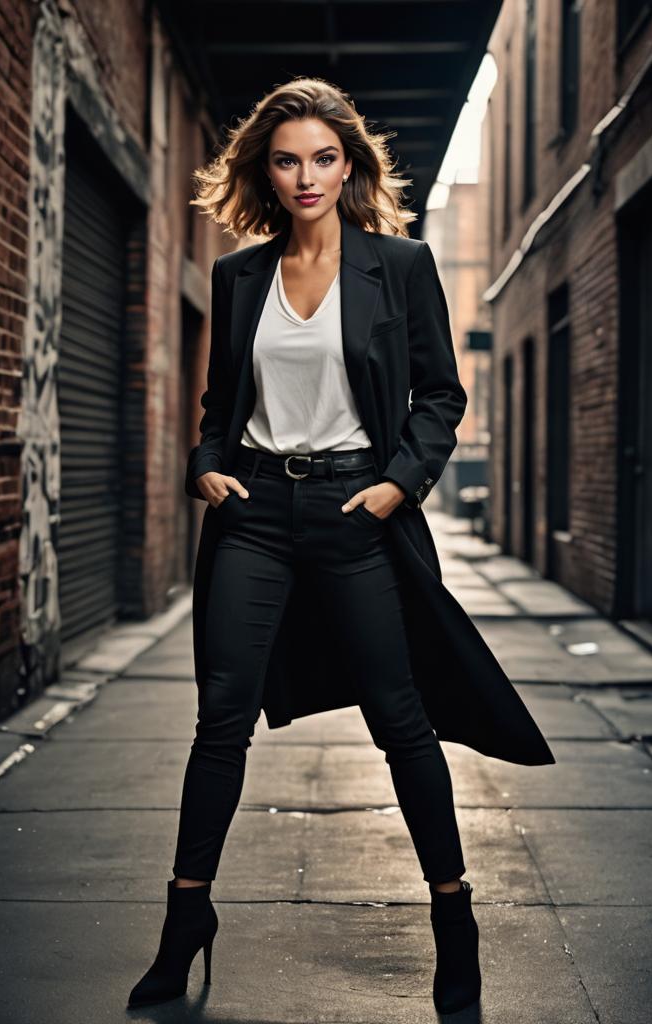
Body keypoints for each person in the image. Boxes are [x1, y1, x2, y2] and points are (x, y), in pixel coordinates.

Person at [127, 75, 482, 1015]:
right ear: (265, 171)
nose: (306, 175)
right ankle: (184, 921)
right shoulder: (237, 277)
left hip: (353, 514)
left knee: (400, 718)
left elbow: (440, 396)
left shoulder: (398, 267)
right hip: (253, 519)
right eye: (287, 160)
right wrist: (205, 463)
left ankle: (455, 918)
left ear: (350, 165)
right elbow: (217, 410)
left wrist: (395, 486)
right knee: (220, 723)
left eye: (324, 157)